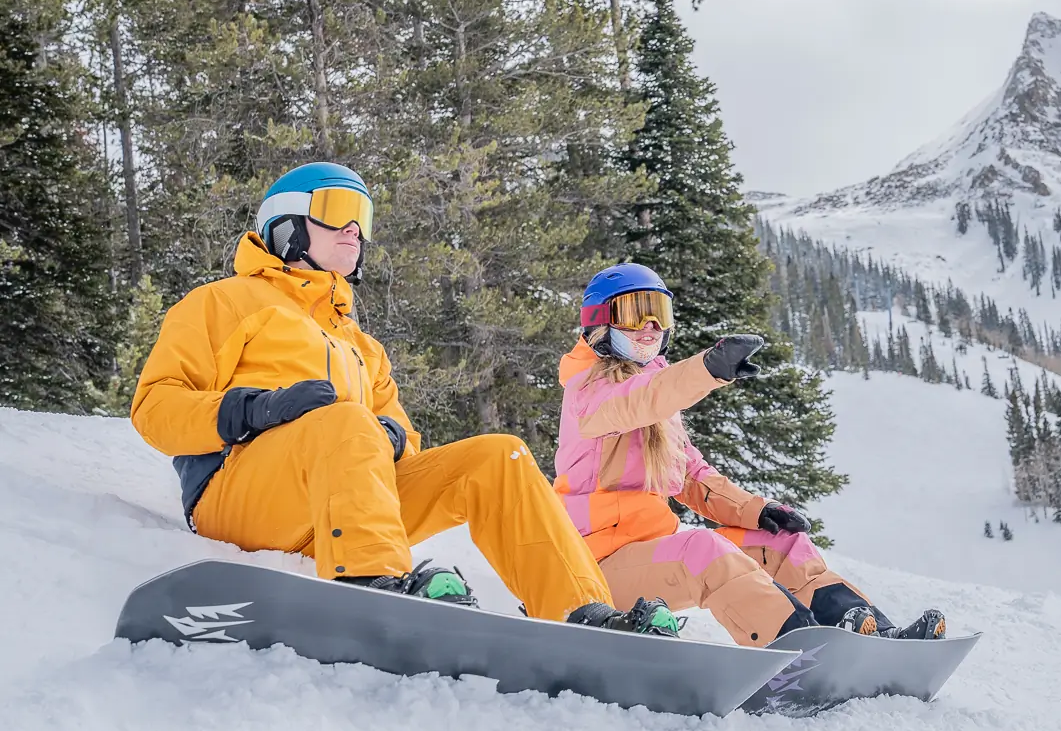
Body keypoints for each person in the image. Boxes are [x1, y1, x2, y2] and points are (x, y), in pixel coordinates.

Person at [131, 162, 675, 635]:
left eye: (362, 218)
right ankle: (372, 582)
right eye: (337, 209)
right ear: (287, 225)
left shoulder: (361, 345)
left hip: (340, 510)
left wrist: (392, 438)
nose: (353, 229)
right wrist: (255, 409)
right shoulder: (224, 303)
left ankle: (579, 610)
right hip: (240, 493)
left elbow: (402, 442)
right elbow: (155, 408)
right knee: (345, 420)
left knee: (498, 456)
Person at [554, 262, 948, 646]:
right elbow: (642, 398)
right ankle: (796, 647)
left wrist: (756, 511)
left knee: (779, 543)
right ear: (600, 323)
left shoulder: (657, 403)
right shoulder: (588, 392)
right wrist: (707, 368)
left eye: (658, 314)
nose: (650, 328)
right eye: (634, 314)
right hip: (596, 566)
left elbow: (693, 478)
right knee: (706, 551)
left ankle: (872, 633)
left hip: (651, 554)